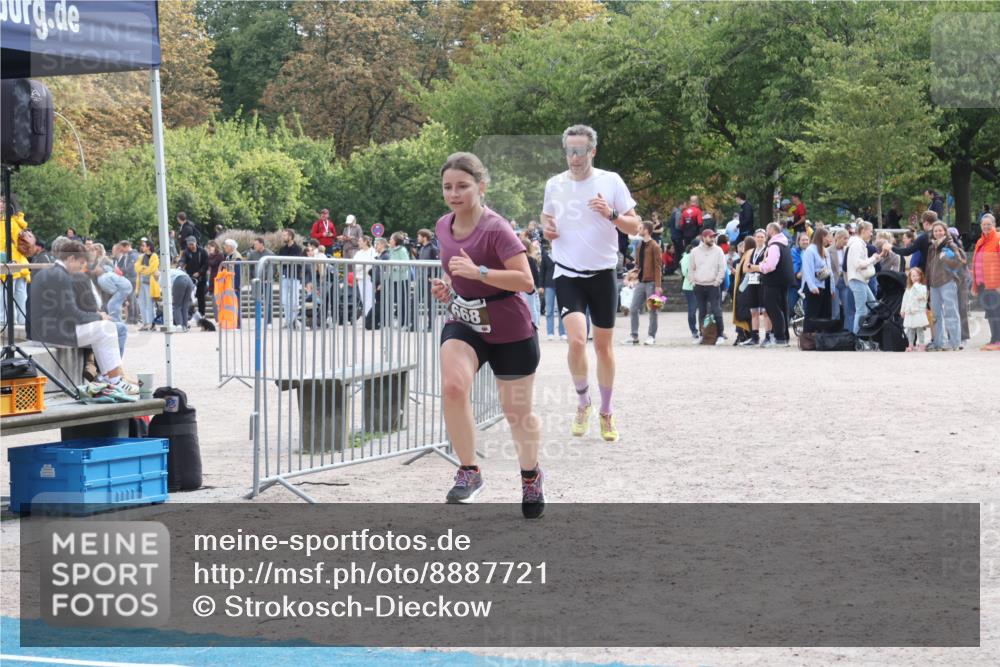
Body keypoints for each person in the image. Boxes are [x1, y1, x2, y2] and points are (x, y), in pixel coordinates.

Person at [430, 152, 543, 518]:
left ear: (481, 187)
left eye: (462, 186)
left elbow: (525, 280)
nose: (454, 193)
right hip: (465, 320)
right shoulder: (442, 226)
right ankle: (469, 471)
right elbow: (455, 270)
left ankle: (530, 476)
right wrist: (448, 286)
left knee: (517, 413)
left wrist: (479, 272)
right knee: (452, 386)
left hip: (509, 326)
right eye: (448, 187)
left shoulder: (496, 228)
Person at [541, 124, 640, 442]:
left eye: (581, 150)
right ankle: (583, 401)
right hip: (567, 272)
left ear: (592, 151)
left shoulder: (610, 181)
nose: (575, 156)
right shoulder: (554, 184)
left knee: (604, 348)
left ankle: (606, 411)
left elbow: (635, 226)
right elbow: (546, 221)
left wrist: (611, 214)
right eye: (570, 150)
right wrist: (549, 231)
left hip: (602, 274)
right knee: (575, 339)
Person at [29, 240, 139, 394]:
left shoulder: (54, 273)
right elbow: (73, 315)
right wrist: (99, 317)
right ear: (71, 259)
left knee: (104, 329)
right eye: (80, 264)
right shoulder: (60, 276)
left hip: (46, 330)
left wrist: (96, 316)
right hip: (50, 334)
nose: (81, 269)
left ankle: (108, 378)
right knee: (107, 328)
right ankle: (114, 380)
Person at [925, 221, 965, 351]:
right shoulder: (932, 247)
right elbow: (928, 268)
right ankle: (939, 343)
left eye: (940, 230)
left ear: (945, 231)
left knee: (951, 312)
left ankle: (955, 343)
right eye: (935, 231)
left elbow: (960, 262)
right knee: (936, 314)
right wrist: (927, 285)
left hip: (947, 282)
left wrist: (945, 259)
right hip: (933, 284)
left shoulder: (950, 245)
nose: (937, 233)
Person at [753, 222, 795, 346]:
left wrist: (759, 266)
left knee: (773, 308)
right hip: (784, 280)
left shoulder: (774, 246)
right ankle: (784, 336)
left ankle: (779, 337)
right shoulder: (785, 244)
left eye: (767, 231)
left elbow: (770, 266)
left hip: (773, 281)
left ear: (771, 230)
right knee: (783, 307)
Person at [845, 221, 889, 335]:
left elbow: (866, 264)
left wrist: (879, 256)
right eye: (870, 231)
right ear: (863, 231)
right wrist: (873, 258)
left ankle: (872, 333)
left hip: (861, 280)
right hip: (857, 280)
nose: (871, 234)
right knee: (861, 310)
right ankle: (857, 337)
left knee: (874, 305)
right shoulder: (857, 245)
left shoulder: (859, 244)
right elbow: (858, 264)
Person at [623, 221, 663, 346]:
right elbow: (638, 265)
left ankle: (651, 336)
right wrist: (631, 277)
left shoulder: (655, 246)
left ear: (646, 230)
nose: (638, 230)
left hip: (652, 283)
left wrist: (658, 285)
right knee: (634, 308)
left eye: (640, 228)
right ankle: (634, 336)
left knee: (653, 310)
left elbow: (658, 267)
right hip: (641, 282)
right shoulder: (640, 245)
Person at [688, 228, 727, 344]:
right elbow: (691, 268)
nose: (713, 238)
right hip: (699, 285)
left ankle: (720, 335)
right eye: (710, 236)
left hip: (713, 285)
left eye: (714, 236)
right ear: (703, 238)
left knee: (716, 310)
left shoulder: (718, 250)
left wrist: (717, 282)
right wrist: (693, 281)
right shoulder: (694, 251)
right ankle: (702, 335)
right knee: (702, 311)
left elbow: (722, 268)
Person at [0, 193, 31, 327]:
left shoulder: (7, 222)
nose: (0, 204)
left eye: (2, 201)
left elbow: (2, 243)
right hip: (20, 261)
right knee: (19, 293)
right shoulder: (17, 221)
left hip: (9, 261)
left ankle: (3, 320)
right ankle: (22, 321)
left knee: (5, 293)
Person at [970, 214, 1000, 350]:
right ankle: (994, 339)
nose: (986, 226)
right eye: (984, 224)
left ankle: (998, 340)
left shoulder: (998, 239)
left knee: (996, 312)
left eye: (989, 224)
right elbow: (976, 263)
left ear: (994, 224)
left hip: (994, 284)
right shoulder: (980, 242)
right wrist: (974, 285)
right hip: (983, 284)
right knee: (989, 313)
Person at [92, 244, 132, 324]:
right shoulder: (94, 262)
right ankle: (110, 322)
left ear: (99, 250)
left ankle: (116, 322)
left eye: (95, 249)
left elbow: (114, 270)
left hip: (111, 286)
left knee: (112, 305)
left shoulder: (105, 259)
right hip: (102, 287)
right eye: (92, 250)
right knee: (105, 305)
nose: (93, 251)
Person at [801, 227, 833, 320]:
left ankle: (822, 333)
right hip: (815, 285)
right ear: (822, 237)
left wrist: (832, 288)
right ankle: (810, 333)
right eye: (828, 237)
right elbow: (808, 270)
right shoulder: (810, 250)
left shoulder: (825, 250)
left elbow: (829, 269)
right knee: (813, 313)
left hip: (825, 284)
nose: (829, 239)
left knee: (825, 312)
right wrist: (812, 286)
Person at [539, 241, 566, 341]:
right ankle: (550, 332)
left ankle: (562, 332)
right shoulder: (546, 256)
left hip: (562, 284)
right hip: (548, 285)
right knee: (549, 310)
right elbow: (542, 272)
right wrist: (541, 285)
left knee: (562, 309)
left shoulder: (563, 254)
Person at [276, 229, 303, 328]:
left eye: (285, 235)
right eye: (283, 235)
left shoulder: (298, 248)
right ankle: (288, 320)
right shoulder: (282, 249)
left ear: (290, 237)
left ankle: (294, 320)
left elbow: (295, 261)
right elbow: (280, 262)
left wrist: (286, 262)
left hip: (295, 276)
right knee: (284, 300)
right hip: (285, 276)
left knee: (294, 300)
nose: (283, 237)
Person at [900, 267, 930, 352]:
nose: (916, 277)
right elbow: (904, 300)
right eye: (913, 276)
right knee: (910, 330)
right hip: (909, 312)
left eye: (917, 275)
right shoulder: (908, 289)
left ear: (921, 276)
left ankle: (921, 345)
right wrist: (903, 310)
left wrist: (916, 286)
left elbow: (923, 297)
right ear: (910, 277)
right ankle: (911, 345)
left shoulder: (923, 287)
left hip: (918, 312)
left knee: (920, 330)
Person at [134, 239, 160, 331]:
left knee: (150, 305)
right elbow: (136, 268)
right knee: (142, 304)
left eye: (143, 245)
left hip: (150, 284)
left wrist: (143, 269)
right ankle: (145, 324)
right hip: (141, 284)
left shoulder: (154, 256)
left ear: (148, 247)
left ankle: (152, 324)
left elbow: (152, 269)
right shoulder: (141, 256)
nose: (142, 247)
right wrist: (145, 268)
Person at [179, 236, 209, 317]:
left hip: (201, 278)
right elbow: (183, 260)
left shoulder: (202, 251)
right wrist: (181, 265)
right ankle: (189, 314)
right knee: (189, 297)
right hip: (190, 278)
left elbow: (206, 264)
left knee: (201, 296)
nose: (191, 246)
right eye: (189, 245)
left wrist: (199, 272)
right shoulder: (186, 252)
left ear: (195, 243)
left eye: (192, 244)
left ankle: (202, 314)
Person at [113, 240, 140, 324]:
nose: (121, 250)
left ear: (127, 246)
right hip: (129, 278)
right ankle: (133, 318)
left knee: (131, 299)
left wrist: (119, 271)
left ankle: (132, 319)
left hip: (132, 279)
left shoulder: (133, 255)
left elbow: (130, 268)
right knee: (132, 299)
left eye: (122, 248)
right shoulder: (129, 255)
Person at [353, 235, 377, 317]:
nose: (358, 242)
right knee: (364, 298)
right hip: (360, 278)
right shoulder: (358, 252)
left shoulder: (372, 251)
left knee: (370, 298)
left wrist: (361, 266)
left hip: (368, 278)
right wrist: (362, 266)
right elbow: (354, 265)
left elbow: (370, 265)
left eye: (360, 241)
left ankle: (372, 316)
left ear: (365, 242)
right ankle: (367, 316)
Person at [789, 231, 810, 321]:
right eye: (803, 240)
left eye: (807, 240)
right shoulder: (794, 251)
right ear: (798, 241)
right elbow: (795, 264)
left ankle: (808, 331)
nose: (805, 242)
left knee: (808, 308)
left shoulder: (811, 251)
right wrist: (797, 273)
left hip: (808, 284)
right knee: (789, 306)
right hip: (796, 283)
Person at [167, 266, 195, 332]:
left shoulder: (162, 275)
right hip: (189, 280)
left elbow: (165, 291)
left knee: (177, 305)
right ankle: (185, 326)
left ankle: (179, 325)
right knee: (185, 306)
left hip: (179, 281)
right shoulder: (174, 270)